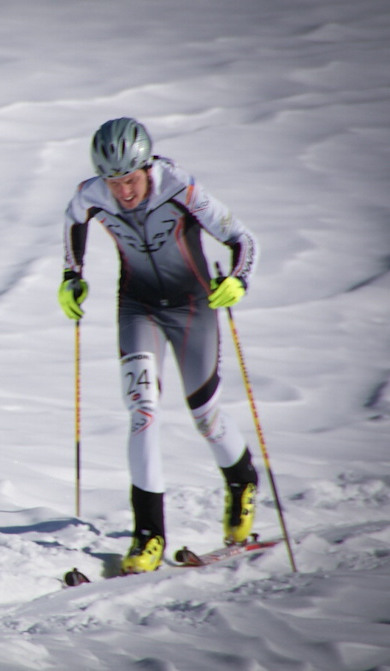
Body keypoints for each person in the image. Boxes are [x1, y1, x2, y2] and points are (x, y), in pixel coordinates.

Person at [58, 118, 260, 574]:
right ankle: (148, 534)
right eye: (114, 182)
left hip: (192, 306)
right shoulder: (90, 194)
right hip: (138, 307)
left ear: (146, 167)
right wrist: (72, 276)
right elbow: (73, 222)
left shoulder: (180, 187)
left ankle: (242, 480)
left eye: (130, 179)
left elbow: (242, 239)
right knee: (142, 412)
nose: (123, 192)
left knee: (205, 416)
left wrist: (238, 279)